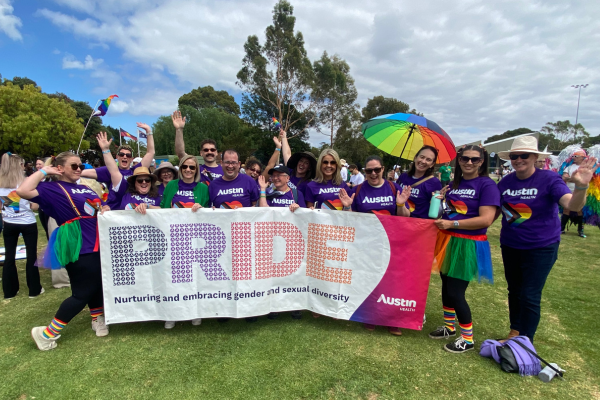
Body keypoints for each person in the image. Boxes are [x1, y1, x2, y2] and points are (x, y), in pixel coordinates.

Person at [497, 136, 596, 342]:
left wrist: (581, 187)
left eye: (524, 155)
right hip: (511, 245)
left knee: (530, 294)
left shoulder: (550, 179)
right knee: (514, 290)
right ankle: (515, 331)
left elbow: (573, 206)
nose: (518, 160)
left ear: (535, 157)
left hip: (541, 247)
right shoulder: (505, 182)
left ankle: (525, 341)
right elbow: (492, 212)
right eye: (515, 156)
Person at [17, 151, 110, 350]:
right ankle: (47, 333)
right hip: (78, 244)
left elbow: (97, 206)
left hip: (96, 241)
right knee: (81, 292)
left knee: (95, 283)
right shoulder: (51, 188)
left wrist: (104, 208)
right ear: (60, 168)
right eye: (74, 166)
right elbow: (23, 191)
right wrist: (44, 170)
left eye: (81, 166)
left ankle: (96, 318)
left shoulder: (84, 187)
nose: (79, 169)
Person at [428, 145, 500, 354]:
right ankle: (449, 327)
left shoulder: (487, 185)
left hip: (467, 243)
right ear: (458, 161)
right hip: (447, 240)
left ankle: (467, 338)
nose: (469, 163)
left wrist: (454, 225)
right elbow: (450, 212)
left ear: (481, 162)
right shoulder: (453, 184)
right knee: (445, 285)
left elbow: (486, 219)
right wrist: (441, 203)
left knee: (456, 291)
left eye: (474, 160)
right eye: (465, 159)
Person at [339, 155, 411, 335]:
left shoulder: (394, 187)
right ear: (364, 172)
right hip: (367, 244)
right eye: (369, 170)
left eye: (376, 170)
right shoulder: (358, 189)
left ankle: (392, 319)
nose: (373, 173)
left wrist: (401, 204)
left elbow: (405, 218)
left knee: (391, 280)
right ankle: (370, 316)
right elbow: (350, 220)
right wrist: (347, 207)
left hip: (391, 242)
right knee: (369, 278)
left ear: (383, 169)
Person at [159, 154, 209, 329]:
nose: (188, 170)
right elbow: (163, 208)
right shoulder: (172, 185)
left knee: (194, 277)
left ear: (196, 170)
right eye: (185, 167)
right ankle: (171, 313)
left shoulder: (203, 188)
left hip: (194, 240)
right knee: (172, 277)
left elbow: (210, 213)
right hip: (172, 238)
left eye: (192, 167)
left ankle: (194, 311)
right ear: (180, 169)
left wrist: (202, 209)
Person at [257, 165, 305, 320]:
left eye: (280, 175)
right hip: (272, 242)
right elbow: (264, 211)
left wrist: (297, 208)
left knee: (294, 275)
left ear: (288, 178)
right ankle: (274, 307)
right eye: (274, 175)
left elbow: (305, 217)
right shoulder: (268, 194)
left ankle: (295, 306)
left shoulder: (296, 194)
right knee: (274, 275)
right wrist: (263, 190)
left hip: (292, 242)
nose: (276, 178)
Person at [81, 123, 155, 208]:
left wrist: (149, 132)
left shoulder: (136, 171)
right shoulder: (109, 170)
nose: (124, 157)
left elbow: (150, 153)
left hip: (132, 211)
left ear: (131, 159)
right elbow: (82, 173)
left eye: (128, 155)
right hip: (114, 212)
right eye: (121, 154)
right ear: (117, 157)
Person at [0, 152, 43, 299]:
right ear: (19, 166)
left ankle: (9, 291)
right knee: (31, 256)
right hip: (27, 223)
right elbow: (35, 206)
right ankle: (34, 290)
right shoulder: (26, 183)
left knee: (9, 257)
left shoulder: (1, 183)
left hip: (9, 223)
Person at [173, 110, 223, 184]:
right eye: (206, 150)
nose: (209, 152)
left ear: (216, 152)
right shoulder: (195, 168)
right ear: (201, 153)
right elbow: (180, 153)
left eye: (212, 150)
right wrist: (179, 130)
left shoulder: (224, 170)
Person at [397, 146, 443, 219]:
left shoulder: (434, 183)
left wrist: (435, 203)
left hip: (419, 225)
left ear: (432, 164)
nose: (423, 161)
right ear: (415, 158)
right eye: (422, 157)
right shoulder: (403, 176)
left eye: (428, 160)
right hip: (399, 220)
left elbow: (437, 213)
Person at [276, 130, 317, 195]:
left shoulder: (307, 184)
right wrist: (284, 137)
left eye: (306, 163)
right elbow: (287, 154)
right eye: (301, 161)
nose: (302, 164)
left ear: (309, 168)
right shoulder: (289, 172)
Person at [561, 149, 588, 237]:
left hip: (580, 192)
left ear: (582, 158)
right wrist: (574, 179)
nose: (574, 158)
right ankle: (561, 229)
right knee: (566, 209)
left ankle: (580, 230)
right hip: (568, 191)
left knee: (579, 210)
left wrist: (572, 179)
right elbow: (564, 177)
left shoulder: (586, 168)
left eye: (576, 156)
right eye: (573, 156)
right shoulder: (569, 167)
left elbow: (585, 180)